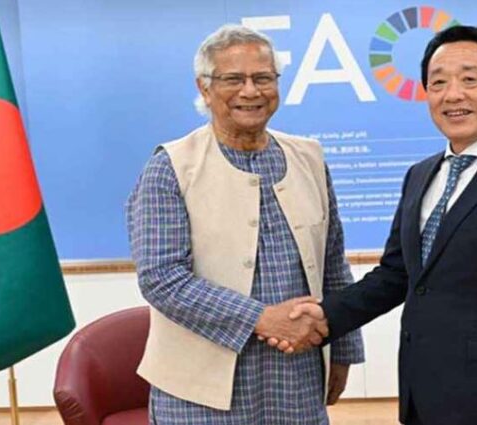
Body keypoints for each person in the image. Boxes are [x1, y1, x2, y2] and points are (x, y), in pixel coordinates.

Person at [285, 25, 477, 425]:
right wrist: (325, 316)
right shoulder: (421, 174)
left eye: (469, 79)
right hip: (425, 396)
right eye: (439, 82)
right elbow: (396, 275)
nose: (453, 95)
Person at [125, 24, 364, 424]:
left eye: (263, 78)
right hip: (198, 392)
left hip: (298, 379)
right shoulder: (170, 167)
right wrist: (261, 318)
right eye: (233, 79)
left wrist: (343, 350)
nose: (251, 91)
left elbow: (333, 265)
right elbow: (161, 278)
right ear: (204, 88)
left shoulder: (309, 157)